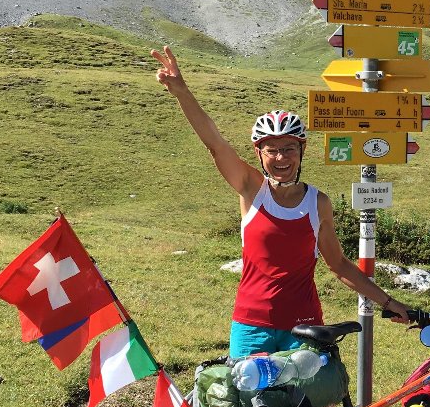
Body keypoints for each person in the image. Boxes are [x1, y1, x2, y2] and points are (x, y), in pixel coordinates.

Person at [151, 45, 412, 356]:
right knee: (249, 401)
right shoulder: (251, 189)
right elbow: (215, 143)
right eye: (271, 149)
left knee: (315, 402)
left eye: (288, 148)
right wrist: (182, 91)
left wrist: (388, 301)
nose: (280, 157)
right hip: (252, 325)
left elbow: (339, 264)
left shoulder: (318, 203)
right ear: (258, 154)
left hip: (303, 326)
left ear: (302, 151)